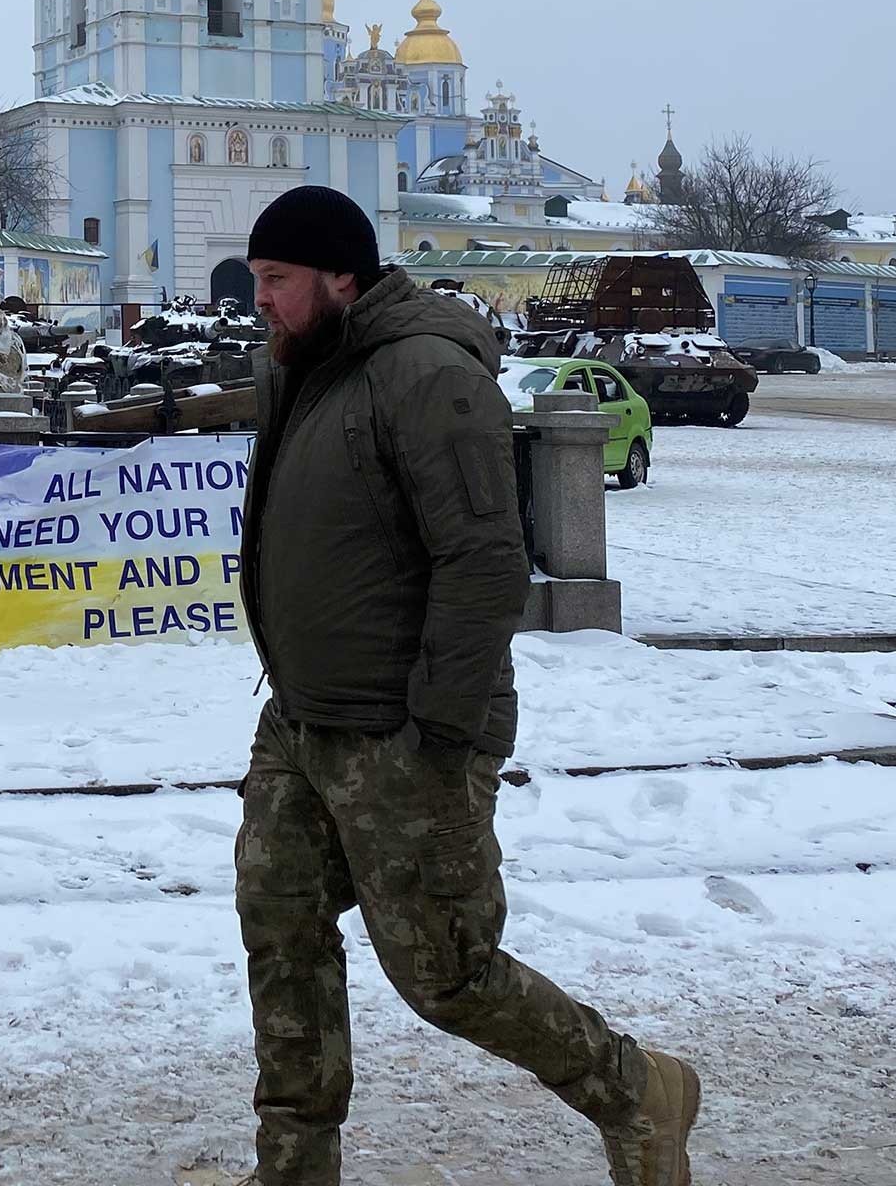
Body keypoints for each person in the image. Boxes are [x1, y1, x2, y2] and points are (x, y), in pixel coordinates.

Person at [234, 185, 698, 1186]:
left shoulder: (428, 374)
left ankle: (636, 1088)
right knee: (282, 932)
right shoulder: (299, 371)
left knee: (446, 970)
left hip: (404, 730)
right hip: (303, 717)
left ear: (340, 276)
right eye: (256, 279)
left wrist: (438, 731)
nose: (259, 299)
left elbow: (484, 561)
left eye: (276, 279)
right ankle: (293, 1166)